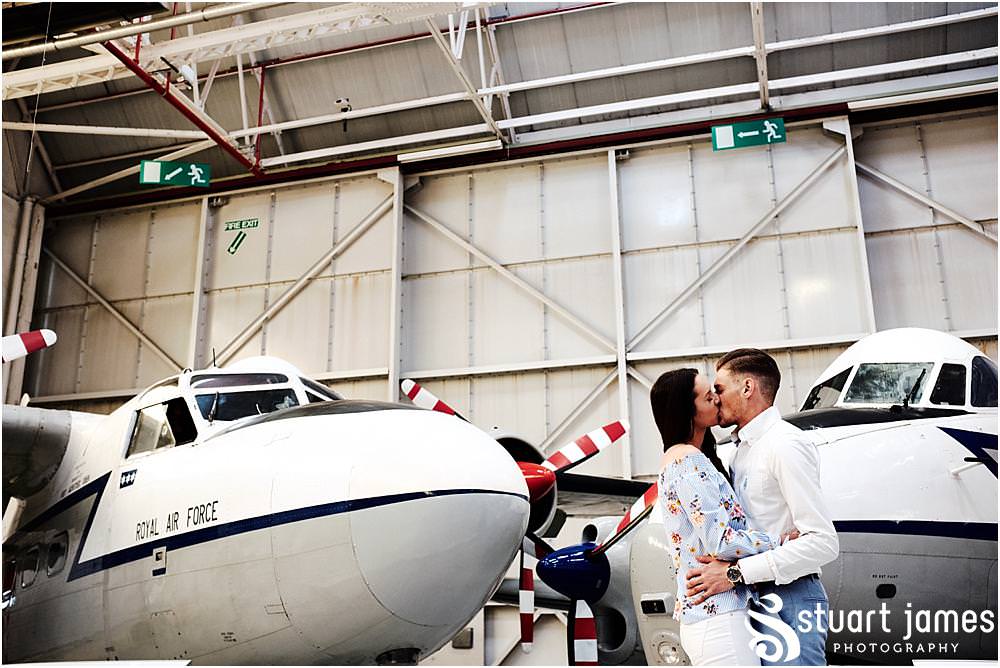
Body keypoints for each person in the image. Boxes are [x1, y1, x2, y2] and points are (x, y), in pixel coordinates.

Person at [684, 349, 839, 666]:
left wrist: (734, 573)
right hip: (752, 598)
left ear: (747, 387)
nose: (715, 398)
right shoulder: (739, 452)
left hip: (791, 597)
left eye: (720, 389)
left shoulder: (785, 444)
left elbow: (823, 543)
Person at [652, 368, 797, 665]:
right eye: (709, 397)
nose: (718, 400)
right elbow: (720, 540)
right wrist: (779, 541)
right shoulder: (689, 462)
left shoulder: (680, 459)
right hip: (720, 618)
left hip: (713, 618)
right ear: (687, 411)